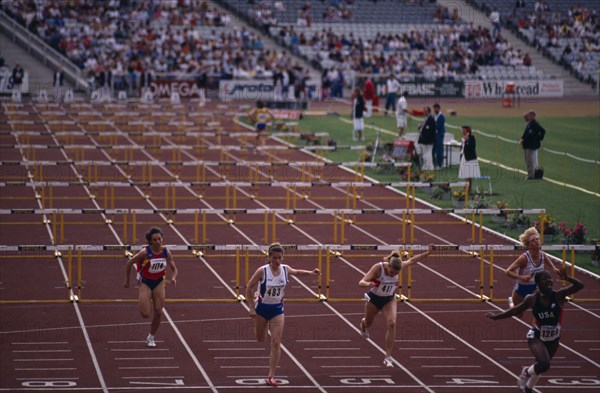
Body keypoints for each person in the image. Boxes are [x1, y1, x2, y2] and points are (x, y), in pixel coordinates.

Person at [486, 267, 584, 393]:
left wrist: (568, 278)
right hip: (536, 336)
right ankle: (526, 372)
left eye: (550, 279)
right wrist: (496, 317)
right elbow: (516, 310)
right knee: (544, 364)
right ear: (538, 283)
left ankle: (528, 389)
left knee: (541, 366)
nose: (549, 281)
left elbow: (580, 286)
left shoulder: (559, 295)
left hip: (554, 338)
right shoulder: (531, 299)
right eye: (545, 279)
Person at [246, 242, 320, 386]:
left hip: (277, 310)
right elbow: (249, 287)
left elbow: (298, 272)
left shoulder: (285, 270)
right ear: (269, 258)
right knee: (260, 339)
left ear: (283, 258)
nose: (277, 261)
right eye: (274, 258)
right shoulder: (262, 271)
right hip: (261, 309)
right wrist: (251, 308)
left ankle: (271, 376)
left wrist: (311, 273)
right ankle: (259, 323)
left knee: (276, 342)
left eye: (280, 258)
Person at [359, 244, 435, 368]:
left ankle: (388, 357)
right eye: (392, 272)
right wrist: (368, 283)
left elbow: (412, 260)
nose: (392, 274)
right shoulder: (378, 268)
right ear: (388, 266)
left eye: (395, 273)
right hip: (373, 299)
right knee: (368, 323)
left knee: (392, 323)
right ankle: (363, 324)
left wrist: (428, 253)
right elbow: (361, 282)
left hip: (389, 299)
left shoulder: (399, 265)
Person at [124, 226, 178, 347]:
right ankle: (145, 299)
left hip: (159, 282)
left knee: (158, 311)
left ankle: (151, 337)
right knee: (145, 314)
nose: (158, 241)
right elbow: (129, 263)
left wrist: (174, 277)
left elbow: (174, 269)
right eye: (155, 240)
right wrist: (127, 280)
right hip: (146, 282)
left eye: (159, 239)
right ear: (150, 241)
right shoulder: (145, 252)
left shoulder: (166, 252)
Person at [505, 226, 560, 316]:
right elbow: (507, 271)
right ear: (528, 245)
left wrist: (554, 268)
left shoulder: (542, 255)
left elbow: (546, 259)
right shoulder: (524, 258)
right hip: (521, 288)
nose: (536, 241)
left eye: (537, 239)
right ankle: (511, 303)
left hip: (535, 288)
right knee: (519, 314)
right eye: (533, 240)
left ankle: (536, 328)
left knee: (539, 311)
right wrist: (521, 277)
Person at [520, 110, 545, 180]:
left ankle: (531, 175)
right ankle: (535, 174)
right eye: (528, 116)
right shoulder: (530, 123)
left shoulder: (535, 124)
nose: (529, 117)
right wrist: (522, 139)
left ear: (533, 116)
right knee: (531, 161)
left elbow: (543, 130)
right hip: (527, 145)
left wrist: (539, 139)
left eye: (530, 115)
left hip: (531, 146)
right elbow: (526, 133)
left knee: (530, 161)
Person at [458, 126, 480, 194]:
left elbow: (473, 146)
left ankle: (467, 189)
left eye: (463, 130)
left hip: (470, 159)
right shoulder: (463, 138)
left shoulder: (471, 137)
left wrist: (467, 140)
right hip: (465, 158)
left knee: (469, 175)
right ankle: (467, 189)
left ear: (466, 131)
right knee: (466, 174)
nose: (462, 131)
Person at [417, 106, 436, 172]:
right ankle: (426, 166)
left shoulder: (431, 119)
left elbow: (429, 130)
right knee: (425, 154)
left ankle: (429, 167)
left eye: (425, 111)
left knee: (428, 154)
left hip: (428, 141)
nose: (424, 112)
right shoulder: (426, 119)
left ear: (428, 112)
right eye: (424, 111)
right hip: (424, 140)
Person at [432, 103, 446, 167]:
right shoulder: (434, 116)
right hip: (434, 135)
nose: (435, 109)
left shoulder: (441, 116)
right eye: (434, 108)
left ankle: (440, 163)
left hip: (439, 135)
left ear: (439, 108)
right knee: (433, 149)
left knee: (439, 150)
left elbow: (439, 126)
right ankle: (434, 162)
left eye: (436, 108)